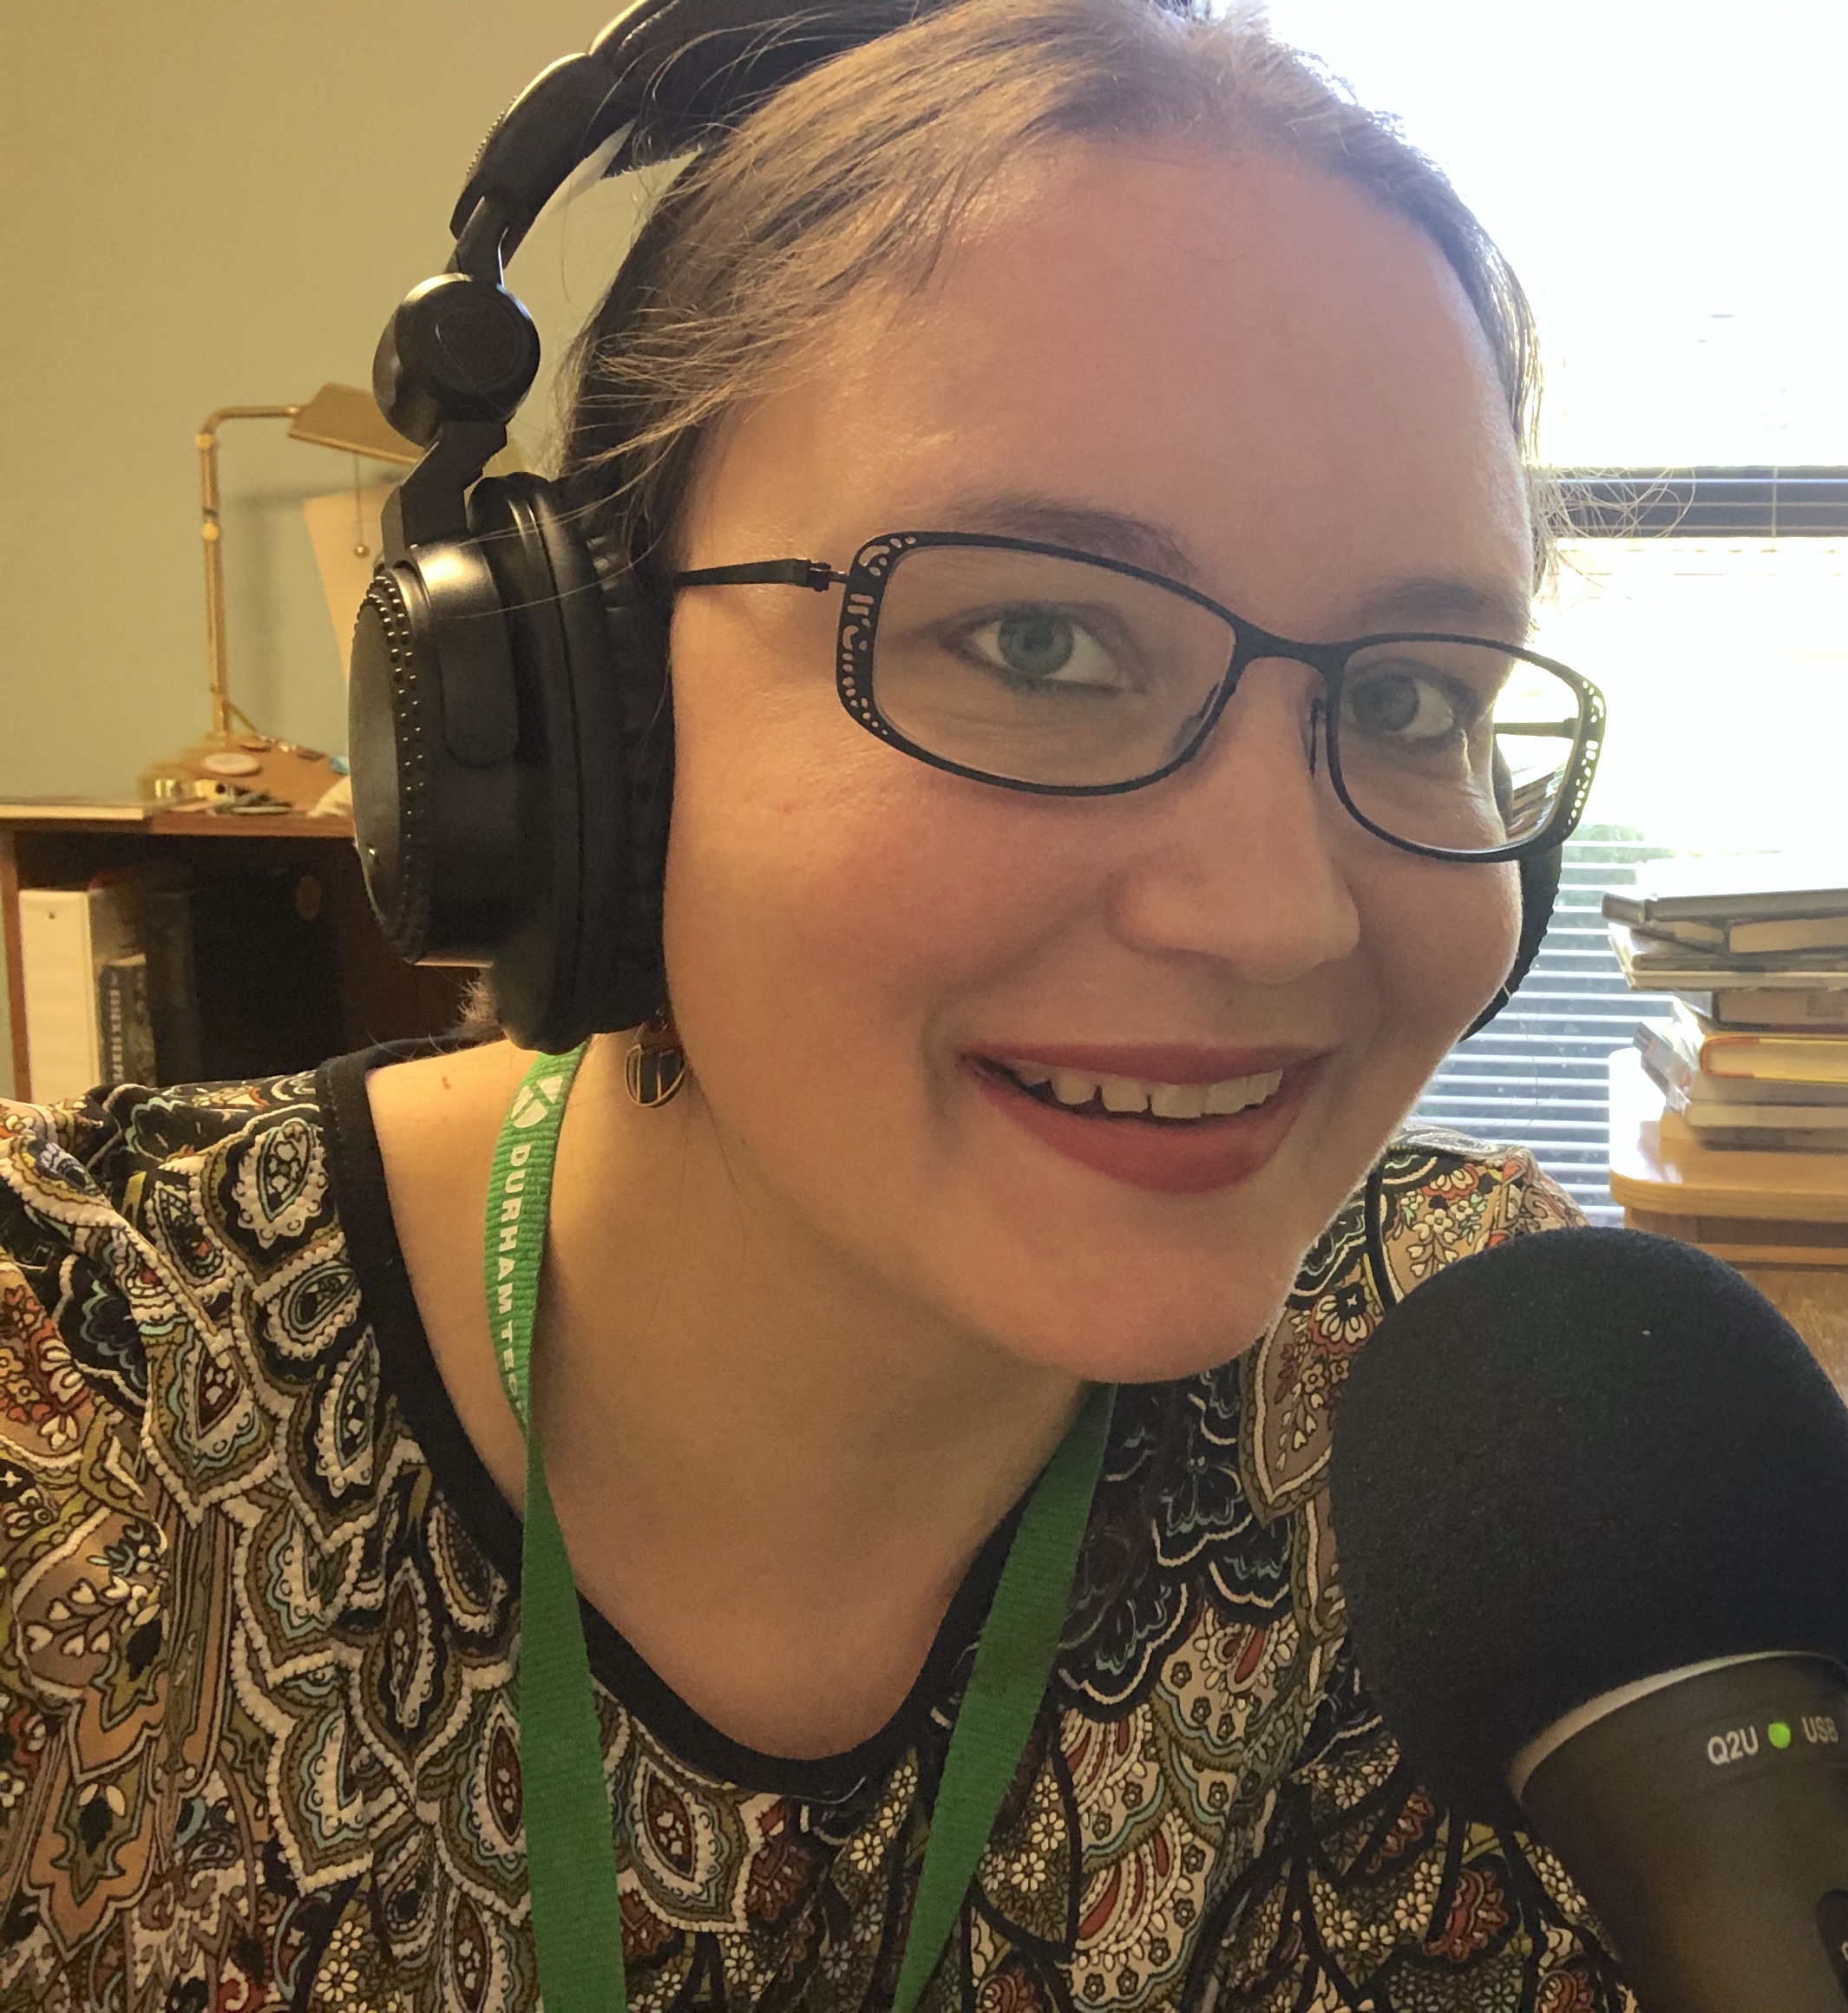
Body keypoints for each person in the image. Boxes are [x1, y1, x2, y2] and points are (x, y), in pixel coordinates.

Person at [0, 3, 1619, 2009]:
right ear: (580, 720)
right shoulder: (62, 1400)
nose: (1275, 914)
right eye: (1036, 638)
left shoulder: (1476, 1394)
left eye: (1414, 695)